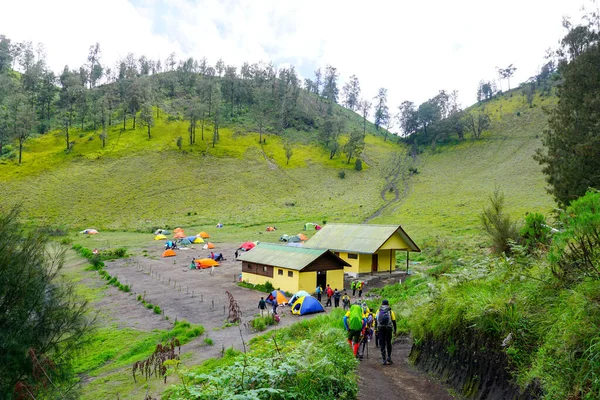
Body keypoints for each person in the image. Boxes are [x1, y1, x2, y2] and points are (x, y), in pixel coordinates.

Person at [375, 299, 397, 365]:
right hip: (388, 328)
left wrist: (376, 329)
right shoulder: (390, 311)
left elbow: (376, 320)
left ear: (382, 304)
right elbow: (394, 321)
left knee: (382, 343)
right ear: (388, 304)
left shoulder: (378, 311)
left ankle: (383, 359)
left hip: (380, 328)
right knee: (388, 342)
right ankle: (389, 357)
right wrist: (395, 330)